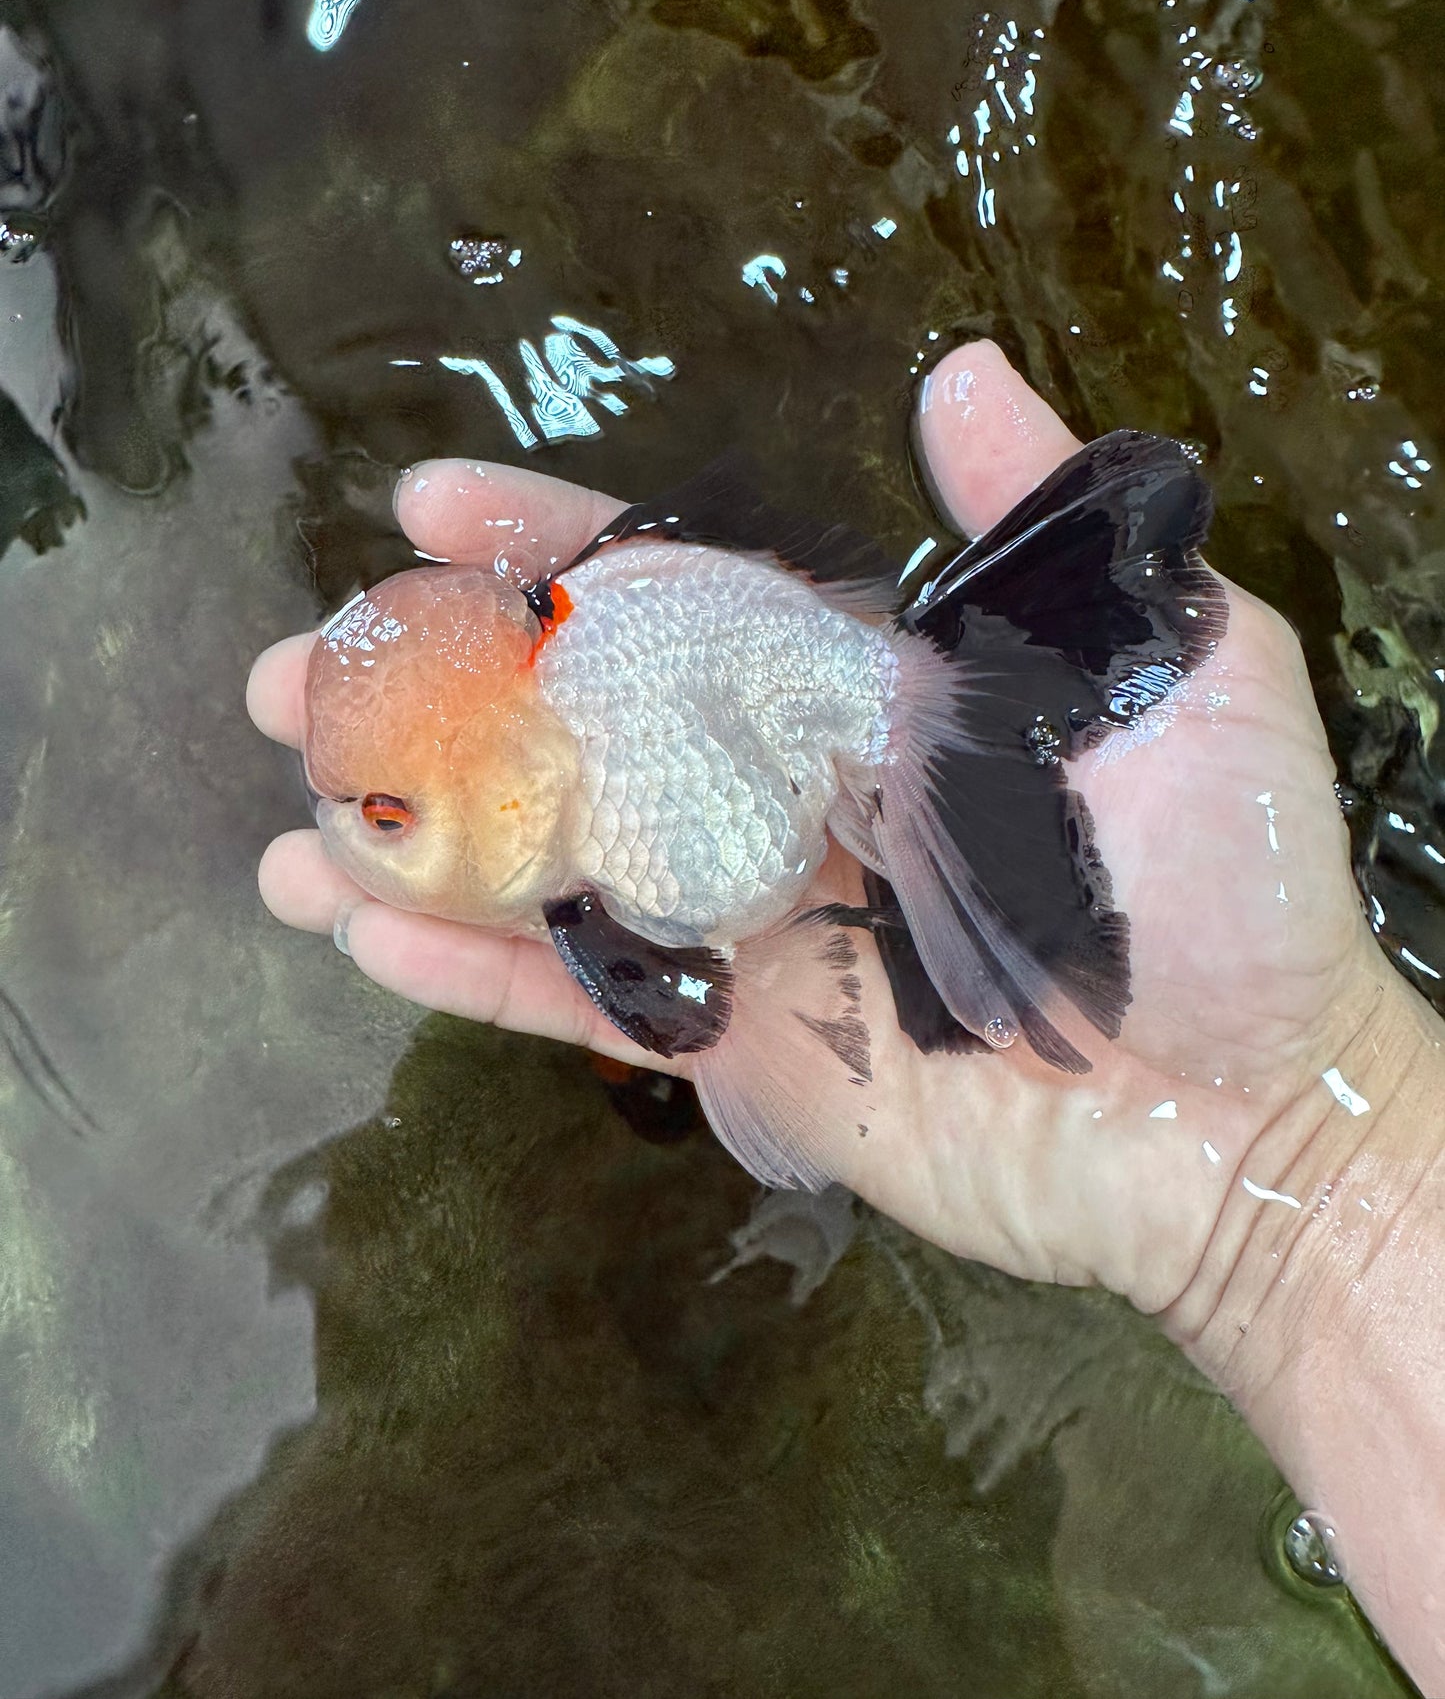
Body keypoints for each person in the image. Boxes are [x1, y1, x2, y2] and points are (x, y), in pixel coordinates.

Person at [248, 340, 1445, 1695]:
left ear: (511, 795)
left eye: (388, 814)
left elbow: (694, 1001)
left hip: (807, 698)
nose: (346, 828)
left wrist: (1295, 1165)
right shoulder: (583, 720)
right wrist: (1305, 1182)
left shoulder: (607, 782)